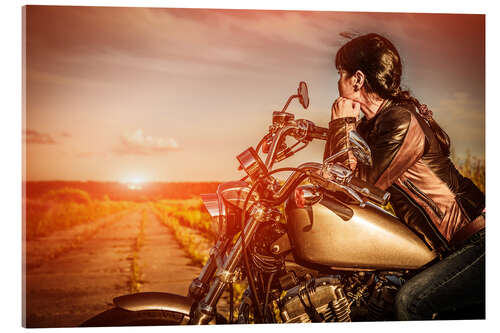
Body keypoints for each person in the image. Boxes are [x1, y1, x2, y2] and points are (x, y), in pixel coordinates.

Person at [323, 33, 485, 320]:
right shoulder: (369, 128)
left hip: (477, 242)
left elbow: (359, 188)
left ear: (357, 80)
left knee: (409, 302)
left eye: (341, 73)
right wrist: (341, 128)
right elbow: (335, 179)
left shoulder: (400, 121)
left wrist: (341, 123)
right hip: (449, 249)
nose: (337, 82)